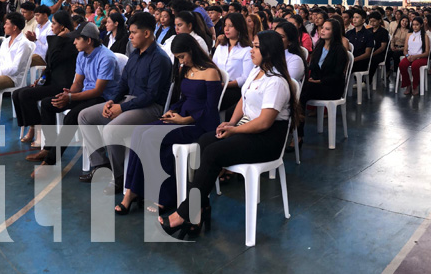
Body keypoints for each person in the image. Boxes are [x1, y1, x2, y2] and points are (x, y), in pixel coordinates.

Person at [159, 30, 299, 238]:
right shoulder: (256, 71)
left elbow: (264, 122)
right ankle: (199, 209)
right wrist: (230, 123)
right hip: (248, 130)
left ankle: (186, 212)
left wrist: (234, 130)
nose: (251, 50)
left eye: (256, 46)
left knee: (214, 152)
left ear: (268, 51)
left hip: (267, 139)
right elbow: (244, 100)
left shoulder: (276, 82)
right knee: (205, 141)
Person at [115, 34, 222, 215]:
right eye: (178, 58)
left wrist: (186, 120)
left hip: (200, 124)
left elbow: (211, 108)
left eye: (182, 57)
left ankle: (158, 194)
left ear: (192, 51)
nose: (181, 61)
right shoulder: (186, 70)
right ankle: (132, 191)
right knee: (139, 132)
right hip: (180, 118)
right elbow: (184, 99)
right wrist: (173, 111)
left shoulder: (211, 72)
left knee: (151, 137)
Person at [77, 12, 173, 195]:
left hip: (150, 108)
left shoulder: (159, 58)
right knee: (85, 116)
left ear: (146, 33)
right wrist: (112, 100)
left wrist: (121, 108)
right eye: (129, 32)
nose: (130, 36)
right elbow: (123, 83)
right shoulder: (135, 54)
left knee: (111, 130)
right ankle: (101, 164)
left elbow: (151, 95)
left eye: (134, 32)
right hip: (129, 101)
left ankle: (119, 180)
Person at [28, 22, 120, 166]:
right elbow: (78, 82)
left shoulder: (106, 58)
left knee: (72, 116)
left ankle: (51, 161)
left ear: (88, 40)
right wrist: (69, 93)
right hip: (85, 93)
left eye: (77, 39)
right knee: (48, 103)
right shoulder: (82, 55)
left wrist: (71, 98)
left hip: (103, 99)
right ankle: (48, 147)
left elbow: (98, 91)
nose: (74, 42)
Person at [14, 11, 77, 144]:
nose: (52, 26)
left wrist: (58, 38)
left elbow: (54, 60)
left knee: (26, 95)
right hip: (50, 80)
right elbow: (49, 65)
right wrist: (41, 79)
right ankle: (31, 126)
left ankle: (38, 131)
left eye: (54, 23)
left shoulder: (71, 42)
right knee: (16, 94)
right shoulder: (57, 39)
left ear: (63, 26)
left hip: (61, 84)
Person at [211, 13, 253, 117]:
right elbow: (213, 67)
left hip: (234, 88)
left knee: (211, 98)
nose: (227, 29)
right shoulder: (221, 47)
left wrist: (225, 85)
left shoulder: (247, 50)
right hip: (218, 84)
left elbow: (245, 78)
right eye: (225, 25)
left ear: (239, 28)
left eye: (231, 26)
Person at [300, 19, 349, 105]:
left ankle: (297, 117)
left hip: (332, 87)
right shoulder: (319, 46)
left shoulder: (339, 50)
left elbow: (337, 74)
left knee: (303, 91)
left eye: (327, 29)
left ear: (334, 32)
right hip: (317, 83)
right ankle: (296, 116)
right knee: (298, 87)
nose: (322, 30)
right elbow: (313, 66)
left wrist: (320, 81)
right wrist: (311, 78)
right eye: (322, 28)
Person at [398, 16, 430, 96]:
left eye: (417, 25)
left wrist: (416, 57)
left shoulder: (425, 36)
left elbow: (427, 52)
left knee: (415, 66)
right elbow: (405, 50)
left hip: (421, 57)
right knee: (402, 64)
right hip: (410, 56)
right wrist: (408, 55)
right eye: (413, 25)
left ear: (421, 25)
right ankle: (408, 85)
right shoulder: (409, 35)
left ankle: (415, 86)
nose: (415, 27)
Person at [367, 11, 389, 81]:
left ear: (379, 21)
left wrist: (372, 54)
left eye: (374, 21)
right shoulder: (368, 31)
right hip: (369, 52)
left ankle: (368, 80)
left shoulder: (383, 32)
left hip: (379, 54)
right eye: (371, 21)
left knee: (373, 60)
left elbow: (382, 48)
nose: (372, 23)